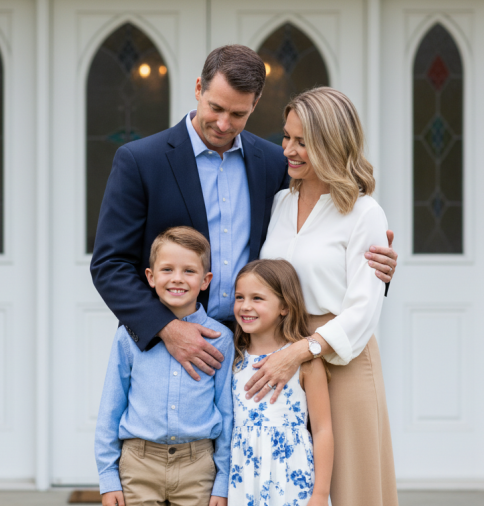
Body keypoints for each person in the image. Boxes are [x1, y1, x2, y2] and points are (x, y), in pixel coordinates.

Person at [90, 45, 399, 384]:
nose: (223, 124)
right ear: (198, 89)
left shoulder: (276, 163)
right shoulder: (140, 161)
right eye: (215, 108)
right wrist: (169, 329)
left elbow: (314, 238)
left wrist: (371, 269)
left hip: (257, 350)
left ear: (255, 103)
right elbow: (110, 264)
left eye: (237, 114)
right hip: (169, 349)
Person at [244, 88, 398, 505]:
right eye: (286, 137)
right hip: (281, 360)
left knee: (355, 492)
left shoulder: (365, 213)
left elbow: (365, 309)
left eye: (302, 142)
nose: (288, 150)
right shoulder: (279, 202)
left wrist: (300, 351)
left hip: (340, 360)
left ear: (331, 144)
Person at [94, 227, 235, 506]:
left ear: (206, 280)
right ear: (150, 276)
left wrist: (222, 481)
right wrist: (108, 477)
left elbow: (227, 413)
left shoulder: (221, 340)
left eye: (189, 271)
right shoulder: (129, 335)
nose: (177, 279)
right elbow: (111, 406)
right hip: (139, 465)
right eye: (167, 269)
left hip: (198, 468)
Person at [228, 259, 332, 506]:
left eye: (257, 298)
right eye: (239, 297)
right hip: (244, 476)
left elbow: (322, 429)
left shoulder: (305, 363)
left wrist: (319, 494)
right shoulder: (234, 359)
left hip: (291, 475)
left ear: (284, 306)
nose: (245, 306)